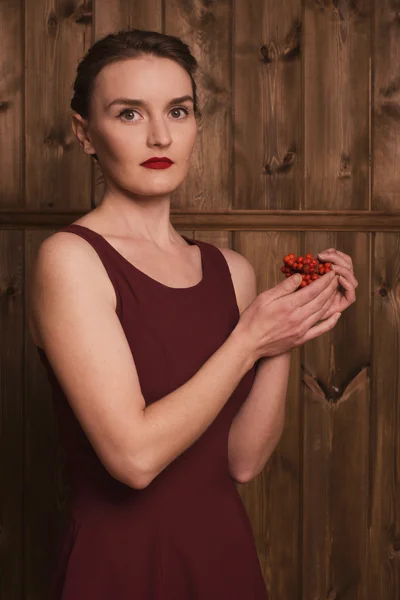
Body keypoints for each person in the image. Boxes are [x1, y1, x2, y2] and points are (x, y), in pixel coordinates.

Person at [28, 28, 358, 600]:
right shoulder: (70, 260)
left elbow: (244, 460)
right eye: (129, 114)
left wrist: (288, 329)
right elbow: (133, 458)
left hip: (222, 558)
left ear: (195, 124)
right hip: (119, 567)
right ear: (85, 132)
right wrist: (249, 340)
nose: (160, 134)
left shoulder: (230, 271)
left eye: (177, 111)